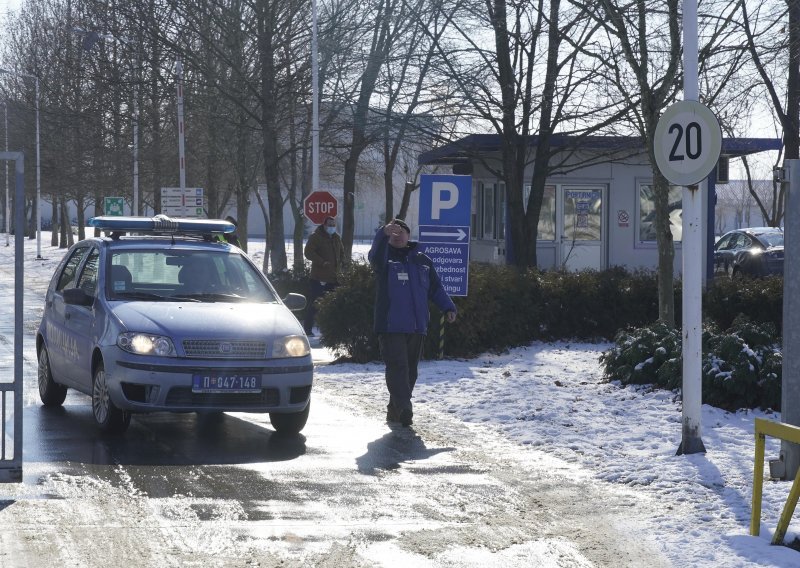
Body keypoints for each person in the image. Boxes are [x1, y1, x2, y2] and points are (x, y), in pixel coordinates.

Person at [368, 218, 457, 427]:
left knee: (411, 371)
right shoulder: (384, 258)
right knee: (398, 366)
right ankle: (405, 407)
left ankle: (395, 409)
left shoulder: (423, 261)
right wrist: (382, 233)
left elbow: (435, 288)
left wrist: (448, 307)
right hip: (390, 325)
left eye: (402, 231)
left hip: (417, 326)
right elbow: (374, 256)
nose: (397, 235)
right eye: (393, 232)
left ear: (409, 235)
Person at [303, 215, 346, 336]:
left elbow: (341, 253)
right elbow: (308, 252)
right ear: (324, 225)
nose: (332, 227)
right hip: (319, 278)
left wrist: (342, 263)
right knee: (315, 305)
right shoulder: (316, 237)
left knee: (334, 305)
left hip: (334, 277)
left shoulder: (336, 238)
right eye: (329, 225)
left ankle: (331, 331)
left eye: (333, 225)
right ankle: (307, 329)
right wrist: (322, 262)